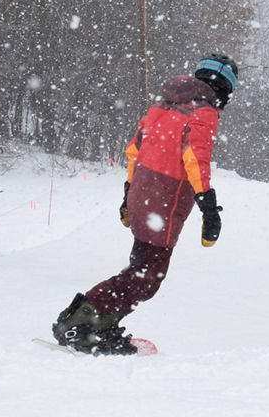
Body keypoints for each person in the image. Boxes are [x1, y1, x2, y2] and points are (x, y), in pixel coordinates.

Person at [52, 54, 238, 355]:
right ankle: (79, 324)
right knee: (147, 278)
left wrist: (129, 193)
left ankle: (100, 324)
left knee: (141, 271)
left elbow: (134, 150)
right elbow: (195, 158)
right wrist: (209, 207)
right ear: (225, 90)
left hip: (143, 194)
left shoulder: (163, 106)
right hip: (165, 200)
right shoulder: (204, 111)